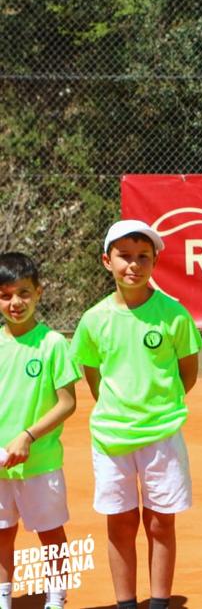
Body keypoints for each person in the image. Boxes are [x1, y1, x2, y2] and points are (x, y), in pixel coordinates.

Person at [71, 220, 202, 609]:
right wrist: (117, 408)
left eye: (143, 256)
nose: (133, 265)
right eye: (124, 256)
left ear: (155, 261)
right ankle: (126, 603)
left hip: (162, 435)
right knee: (121, 522)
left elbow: (187, 372)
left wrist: (159, 406)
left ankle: (159, 602)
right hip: (111, 439)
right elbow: (92, 374)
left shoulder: (174, 315)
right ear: (106, 261)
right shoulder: (94, 320)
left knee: (161, 521)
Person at [0, 253, 79, 609]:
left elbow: (67, 402)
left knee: (51, 536)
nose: (15, 302)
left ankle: (56, 599)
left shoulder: (52, 344)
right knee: (2, 535)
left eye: (23, 293)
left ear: (39, 293)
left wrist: (27, 437)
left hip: (41, 463)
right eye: (5, 295)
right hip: (1, 468)